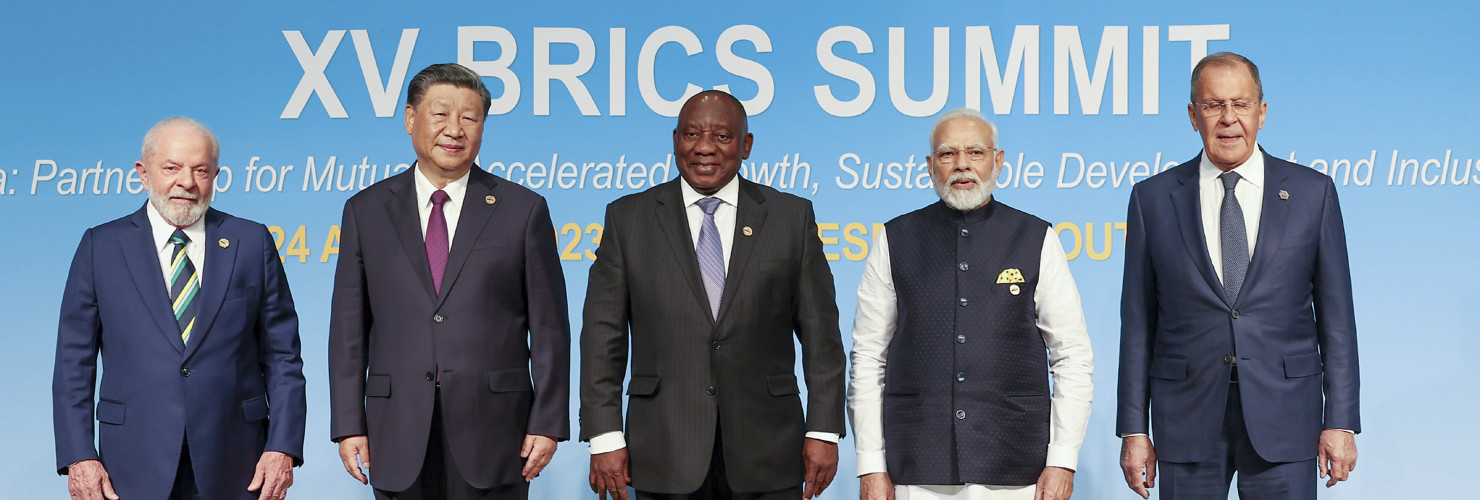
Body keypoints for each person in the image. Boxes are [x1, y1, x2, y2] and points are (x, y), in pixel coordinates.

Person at [579, 90, 847, 500]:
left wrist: (824, 429)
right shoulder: (628, 218)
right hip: (663, 448)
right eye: (691, 134)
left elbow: (822, 339)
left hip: (769, 450)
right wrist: (604, 433)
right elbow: (602, 337)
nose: (704, 147)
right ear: (675, 140)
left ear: (746, 145)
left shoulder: (791, 217)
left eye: (721, 137)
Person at [1117, 52, 1360, 499]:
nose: (1228, 119)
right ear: (1193, 115)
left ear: (1261, 112)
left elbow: (1337, 321)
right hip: (1186, 421)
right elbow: (1137, 326)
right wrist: (1134, 430)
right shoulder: (1151, 200)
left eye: (1241, 104)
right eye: (1213, 105)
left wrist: (1340, 420)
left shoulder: (1313, 193)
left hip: (1287, 420)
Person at [329, 63, 571, 500]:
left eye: (470, 118)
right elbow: (348, 331)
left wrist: (549, 421)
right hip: (396, 428)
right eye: (440, 114)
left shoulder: (523, 210)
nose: (454, 130)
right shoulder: (365, 212)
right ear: (410, 119)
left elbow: (550, 328)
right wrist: (348, 426)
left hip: (496, 429)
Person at [52, 117, 306, 500]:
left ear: (216, 175)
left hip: (238, 462)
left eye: (200, 170)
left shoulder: (251, 241)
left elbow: (284, 357)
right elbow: (74, 364)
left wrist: (282, 447)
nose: (186, 182)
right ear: (143, 172)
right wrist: (79, 456)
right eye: (171, 168)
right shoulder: (100, 247)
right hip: (131, 465)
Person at [847, 109, 1094, 500]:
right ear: (930, 166)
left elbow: (1072, 357)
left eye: (976, 152)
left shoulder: (1036, 237)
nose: (962, 165)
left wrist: (1062, 459)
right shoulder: (895, 239)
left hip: (1017, 468)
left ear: (998, 161)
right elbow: (868, 359)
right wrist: (871, 464)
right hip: (914, 467)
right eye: (948, 154)